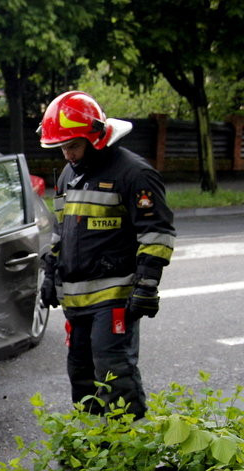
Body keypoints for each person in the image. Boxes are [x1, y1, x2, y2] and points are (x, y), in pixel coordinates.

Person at [38, 91, 176, 419]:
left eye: (73, 145)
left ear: (94, 137)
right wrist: (50, 272)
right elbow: (61, 231)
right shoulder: (69, 175)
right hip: (76, 300)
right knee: (81, 375)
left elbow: (157, 233)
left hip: (115, 297)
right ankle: (92, 449)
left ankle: (132, 454)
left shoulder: (134, 174)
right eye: (62, 147)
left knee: (114, 374)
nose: (67, 154)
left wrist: (146, 285)